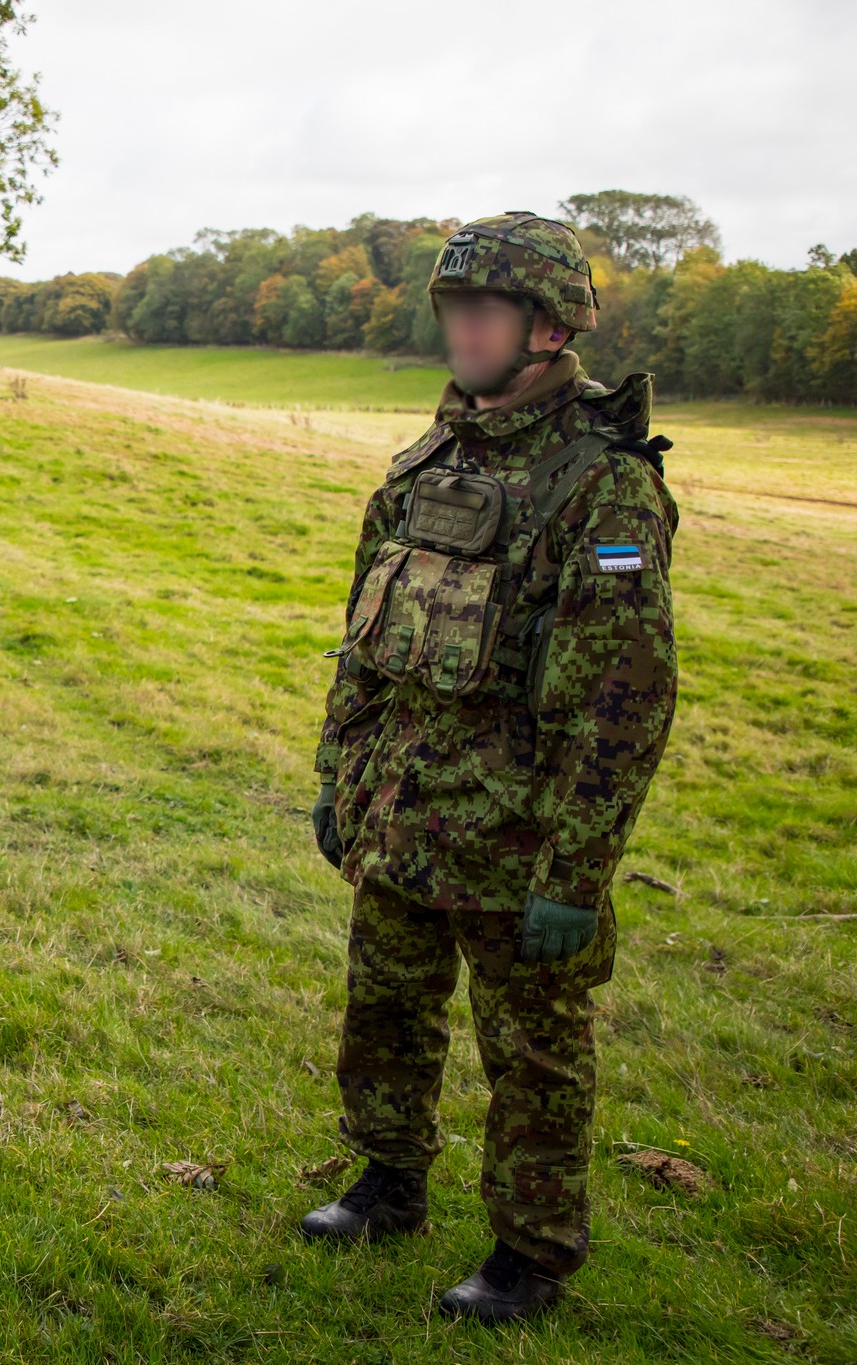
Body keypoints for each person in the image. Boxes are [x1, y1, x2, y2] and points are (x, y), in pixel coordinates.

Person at [304, 213, 679, 1322]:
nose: (460, 328)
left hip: (518, 833)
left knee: (532, 1052)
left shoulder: (601, 488)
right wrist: (339, 774)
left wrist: (576, 870)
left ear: (551, 327)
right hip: (404, 807)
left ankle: (530, 1254)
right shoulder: (426, 460)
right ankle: (385, 1180)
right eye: (451, 308)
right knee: (383, 1006)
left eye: (484, 309)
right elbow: (363, 637)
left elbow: (624, 698)